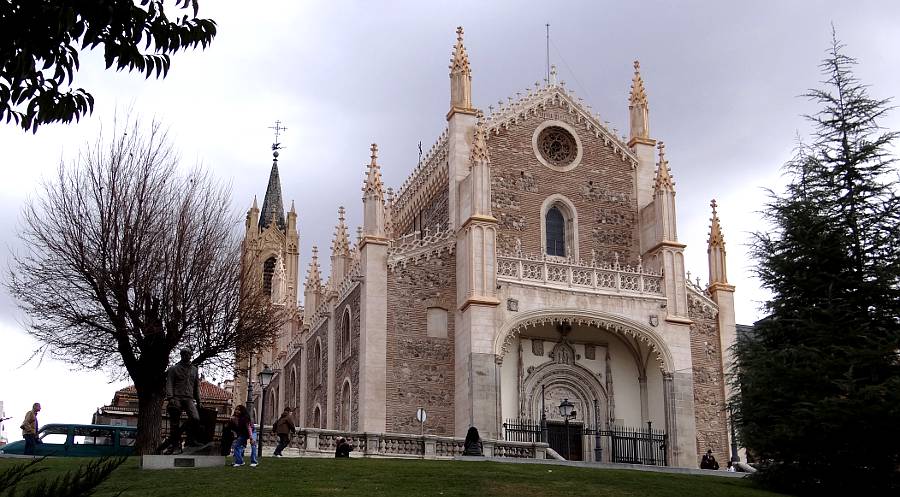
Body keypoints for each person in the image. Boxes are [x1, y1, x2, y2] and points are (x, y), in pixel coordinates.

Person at [164, 348, 202, 452]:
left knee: (195, 418)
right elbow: (169, 383)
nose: (187, 356)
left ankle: (191, 440)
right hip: (176, 397)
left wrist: (199, 400)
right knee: (174, 422)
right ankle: (176, 445)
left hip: (189, 398)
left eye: (188, 354)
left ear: (191, 355)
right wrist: (170, 397)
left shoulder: (194, 369)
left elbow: (196, 386)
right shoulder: (173, 369)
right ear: (181, 355)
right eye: (184, 354)